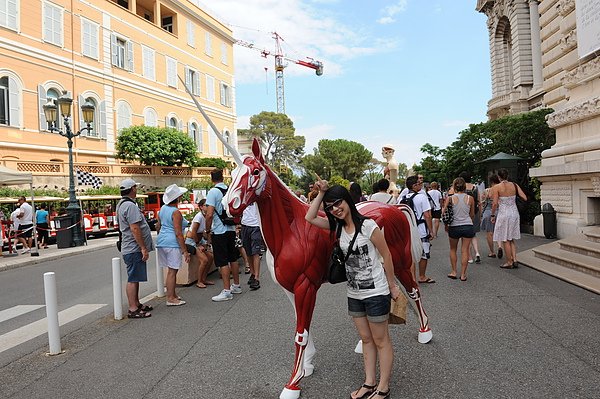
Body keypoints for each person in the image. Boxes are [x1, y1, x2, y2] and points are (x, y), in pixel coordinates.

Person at [305, 181, 400, 399]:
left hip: (376, 291)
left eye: (338, 202)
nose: (335, 209)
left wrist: (393, 286)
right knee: (366, 339)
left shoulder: (368, 226)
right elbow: (309, 217)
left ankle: (383, 388)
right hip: (354, 293)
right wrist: (321, 193)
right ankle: (369, 382)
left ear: (347, 200)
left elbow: (386, 255)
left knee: (381, 340)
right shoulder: (337, 226)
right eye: (330, 207)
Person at [117, 178, 155, 319]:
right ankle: (133, 308)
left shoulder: (122, 204)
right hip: (133, 247)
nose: (137, 189)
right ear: (132, 189)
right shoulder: (130, 206)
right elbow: (135, 228)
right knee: (133, 278)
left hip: (130, 247)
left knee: (136, 276)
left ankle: (137, 303)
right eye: (135, 187)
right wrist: (143, 248)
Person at [205, 169, 242, 302]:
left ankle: (226, 291)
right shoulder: (229, 190)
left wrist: (207, 229)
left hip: (219, 230)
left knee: (222, 261)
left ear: (212, 179)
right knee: (233, 258)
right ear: (222, 177)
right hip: (231, 228)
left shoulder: (213, 192)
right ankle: (236, 285)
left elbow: (209, 214)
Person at [156, 184, 190, 306]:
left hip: (162, 242)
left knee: (170, 270)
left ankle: (172, 294)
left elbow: (158, 226)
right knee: (172, 271)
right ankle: (170, 298)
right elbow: (178, 233)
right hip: (172, 243)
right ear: (178, 197)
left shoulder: (162, 210)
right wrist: (184, 250)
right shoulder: (176, 212)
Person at [491, 168, 527, 269]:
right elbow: (524, 197)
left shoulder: (497, 187)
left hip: (504, 214)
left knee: (505, 239)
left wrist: (493, 215)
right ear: (507, 176)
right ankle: (514, 259)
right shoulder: (514, 185)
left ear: (499, 177)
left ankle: (509, 261)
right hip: (514, 213)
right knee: (511, 238)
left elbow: (494, 204)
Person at [403, 175, 435, 284]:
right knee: (424, 253)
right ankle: (422, 276)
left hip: (408, 230)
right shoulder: (422, 197)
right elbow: (427, 215)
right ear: (414, 185)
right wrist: (431, 230)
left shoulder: (402, 198)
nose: (421, 184)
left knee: (411, 255)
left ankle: (412, 279)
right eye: (419, 183)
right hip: (421, 230)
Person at [445, 177, 475, 281]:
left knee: (453, 249)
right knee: (465, 250)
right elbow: (472, 214)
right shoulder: (470, 198)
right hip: (467, 225)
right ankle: (463, 274)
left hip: (454, 226)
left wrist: (446, 225)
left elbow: (444, 213)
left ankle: (454, 271)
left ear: (454, 186)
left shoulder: (450, 198)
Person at [185, 198, 215, 289]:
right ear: (201, 207)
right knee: (204, 260)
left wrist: (208, 243)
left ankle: (203, 279)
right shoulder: (198, 216)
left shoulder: (207, 216)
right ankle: (199, 281)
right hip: (192, 241)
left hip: (200, 239)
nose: (208, 207)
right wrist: (198, 245)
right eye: (206, 205)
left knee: (210, 257)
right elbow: (193, 231)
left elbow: (206, 232)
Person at [241, 202, 265, 290]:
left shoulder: (257, 194)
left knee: (256, 252)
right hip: (244, 225)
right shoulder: (244, 195)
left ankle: (257, 278)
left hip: (256, 225)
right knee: (248, 252)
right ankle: (253, 273)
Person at [480, 174, 501, 258]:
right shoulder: (501, 189)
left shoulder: (487, 191)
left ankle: (492, 252)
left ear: (491, 181)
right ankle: (500, 246)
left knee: (489, 233)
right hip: (499, 211)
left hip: (489, 212)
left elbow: (483, 201)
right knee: (499, 231)